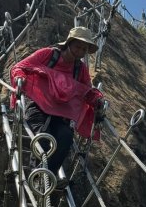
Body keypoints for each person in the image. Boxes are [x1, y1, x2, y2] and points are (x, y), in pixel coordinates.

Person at [10, 26, 104, 187]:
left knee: (66, 137)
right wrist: (20, 78)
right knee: (43, 136)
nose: (81, 50)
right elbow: (20, 67)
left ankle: (48, 176)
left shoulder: (80, 69)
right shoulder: (48, 54)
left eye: (84, 48)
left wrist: (98, 100)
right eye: (78, 46)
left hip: (61, 113)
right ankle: (38, 172)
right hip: (38, 105)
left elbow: (87, 90)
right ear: (69, 43)